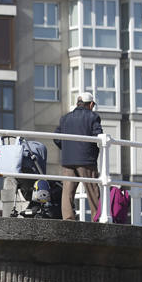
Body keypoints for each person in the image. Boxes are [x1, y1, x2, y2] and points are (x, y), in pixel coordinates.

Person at [54, 92, 103, 221]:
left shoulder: (65, 118)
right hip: (86, 160)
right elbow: (98, 136)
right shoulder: (93, 117)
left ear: (78, 103)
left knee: (67, 191)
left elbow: (56, 138)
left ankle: (68, 219)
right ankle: (96, 218)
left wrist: (67, 149)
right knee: (92, 190)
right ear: (91, 104)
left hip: (68, 160)